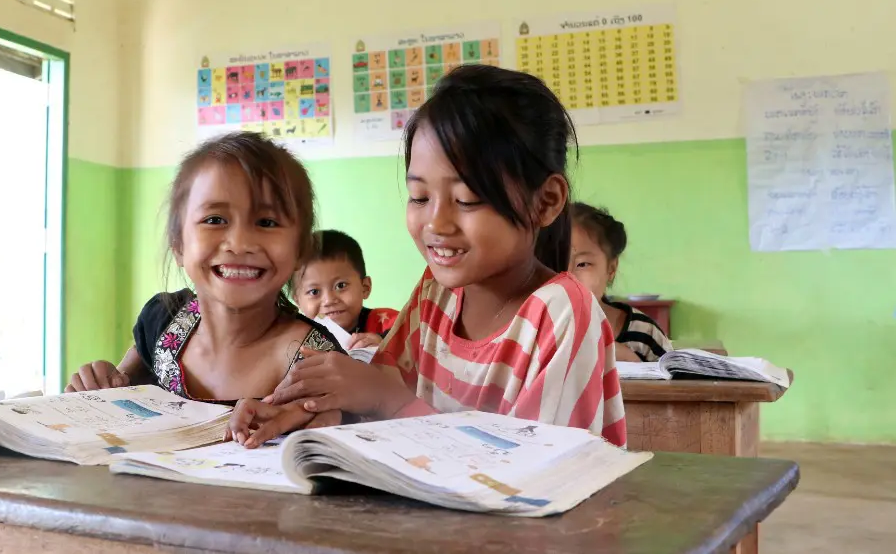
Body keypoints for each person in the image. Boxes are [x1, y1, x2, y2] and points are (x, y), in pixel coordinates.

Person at [228, 65, 625, 448]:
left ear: (546, 202)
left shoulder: (560, 314)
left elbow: (529, 474)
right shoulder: (437, 293)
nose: (437, 222)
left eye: (467, 199)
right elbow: (379, 392)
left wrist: (389, 400)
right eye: (420, 197)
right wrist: (314, 408)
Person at [64, 133, 344, 423]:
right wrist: (100, 382)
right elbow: (120, 383)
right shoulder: (163, 320)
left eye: (266, 222)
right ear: (179, 244)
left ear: (301, 251)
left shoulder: (315, 360)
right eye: (215, 220)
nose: (239, 243)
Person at [569, 202, 672, 362]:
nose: (567, 277)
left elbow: (674, 383)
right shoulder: (529, 332)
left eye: (582, 264)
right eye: (551, 263)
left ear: (610, 269)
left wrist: (635, 364)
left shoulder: (644, 333)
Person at [292, 230, 399, 350]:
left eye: (341, 285)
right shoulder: (298, 342)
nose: (329, 300)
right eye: (314, 292)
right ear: (298, 301)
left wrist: (385, 344)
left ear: (365, 287)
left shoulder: (387, 322)